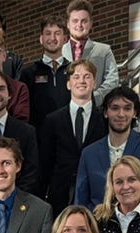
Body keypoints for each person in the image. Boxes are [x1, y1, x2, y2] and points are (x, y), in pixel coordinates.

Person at [76, 85, 140, 208]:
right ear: (105, 112)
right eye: (115, 108)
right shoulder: (88, 153)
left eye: (127, 108)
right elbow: (80, 201)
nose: (121, 114)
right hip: (98, 223)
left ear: (135, 113)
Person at [40, 59, 106, 215]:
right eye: (76, 77)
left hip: (98, 197)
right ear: (68, 84)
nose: (81, 81)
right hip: (60, 197)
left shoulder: (105, 118)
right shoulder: (52, 120)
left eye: (87, 76)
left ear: (94, 83)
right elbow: (45, 164)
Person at [20, 14, 71, 138]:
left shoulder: (74, 71)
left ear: (65, 38)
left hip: (68, 137)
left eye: (57, 33)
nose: (52, 38)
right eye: (48, 33)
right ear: (41, 39)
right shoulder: (28, 73)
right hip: (39, 138)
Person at [62, 0, 118, 106]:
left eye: (84, 21)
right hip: (64, 110)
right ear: (68, 24)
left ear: (90, 23)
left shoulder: (104, 50)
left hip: (96, 110)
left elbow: (112, 81)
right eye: (75, 21)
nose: (79, 25)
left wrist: (93, 98)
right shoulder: (58, 52)